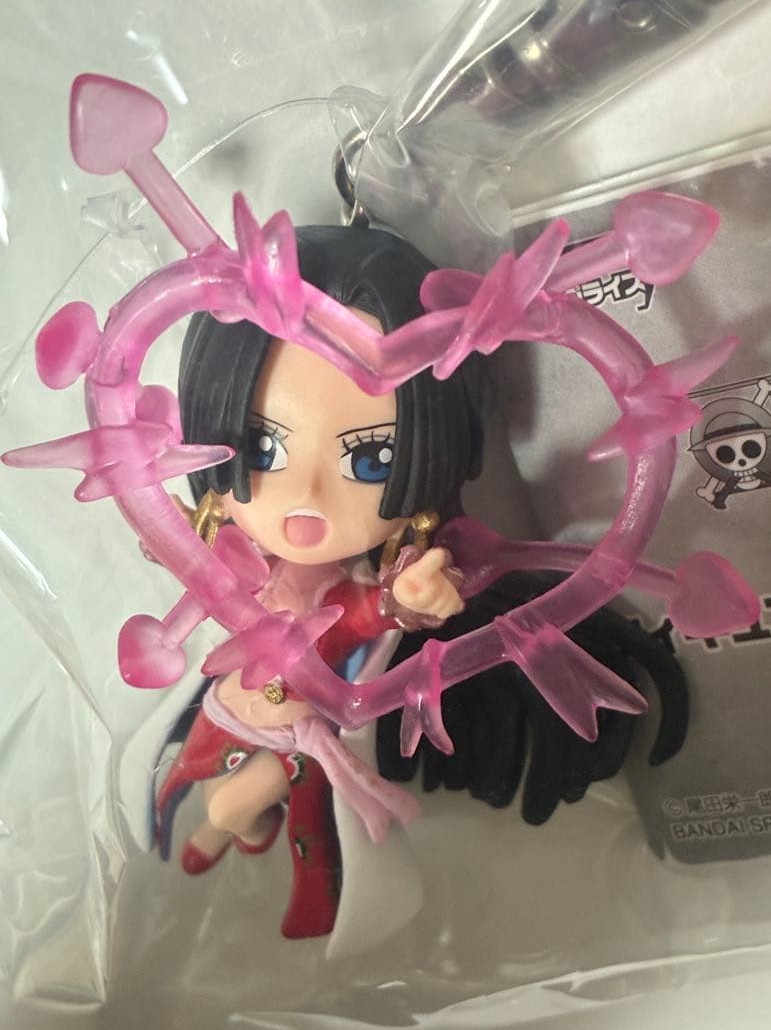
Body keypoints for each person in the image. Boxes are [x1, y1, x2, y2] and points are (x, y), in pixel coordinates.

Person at [156, 224, 688, 939]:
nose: (306, 497)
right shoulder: (237, 553)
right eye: (263, 447)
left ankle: (246, 842)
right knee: (193, 778)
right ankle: (226, 834)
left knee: (259, 809)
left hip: (307, 724)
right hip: (236, 700)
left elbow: (359, 616)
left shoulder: (355, 583)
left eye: (371, 460)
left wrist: (402, 602)